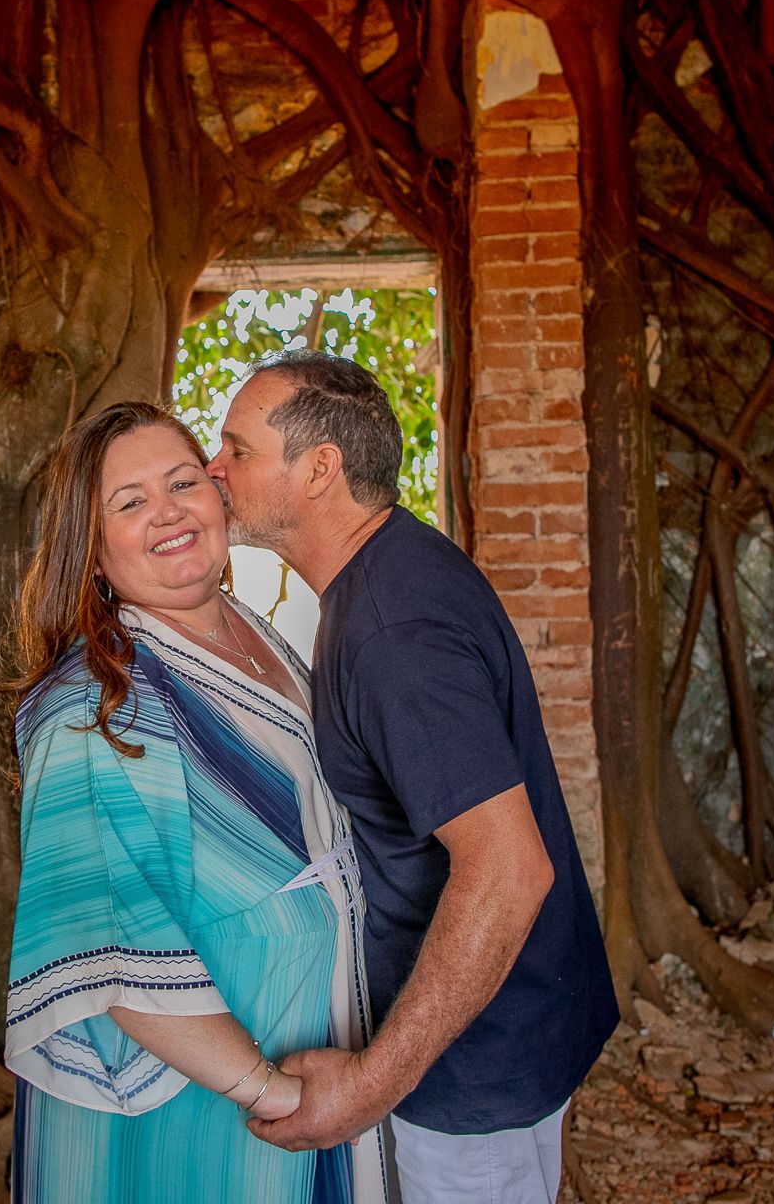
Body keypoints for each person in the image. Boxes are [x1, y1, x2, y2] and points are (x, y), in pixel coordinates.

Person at [205, 353, 618, 1203]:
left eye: (237, 449)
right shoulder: (394, 568)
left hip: (473, 1064)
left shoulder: (393, 630)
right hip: (515, 1024)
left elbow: (508, 870)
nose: (215, 470)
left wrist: (367, 1086)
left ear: (319, 468)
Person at [1, 400, 392, 1204]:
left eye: (183, 482)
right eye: (130, 501)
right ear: (95, 551)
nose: (168, 512)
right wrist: (269, 1092)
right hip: (205, 1093)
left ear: (219, 497)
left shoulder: (261, 633)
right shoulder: (92, 707)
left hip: (321, 1031)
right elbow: (106, 947)